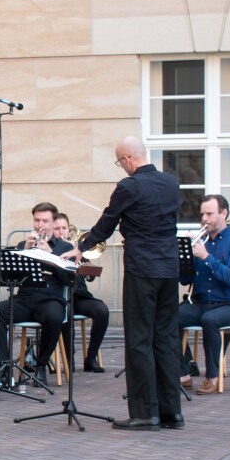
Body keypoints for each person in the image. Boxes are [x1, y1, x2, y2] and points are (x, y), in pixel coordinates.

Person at [64, 136, 184, 431]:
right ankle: (172, 412)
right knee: (166, 338)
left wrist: (81, 247)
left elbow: (107, 222)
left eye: (120, 162)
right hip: (169, 269)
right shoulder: (171, 183)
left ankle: (145, 412)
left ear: (128, 159)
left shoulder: (129, 186)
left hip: (142, 269)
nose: (122, 167)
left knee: (140, 339)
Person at [0, 202, 73, 386]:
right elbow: (9, 276)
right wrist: (24, 250)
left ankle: (40, 365)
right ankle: (3, 365)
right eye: (37, 220)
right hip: (24, 300)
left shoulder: (65, 248)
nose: (40, 225)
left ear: (53, 222)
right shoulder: (23, 244)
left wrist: (50, 254)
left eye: (45, 221)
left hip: (50, 300)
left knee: (55, 317)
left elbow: (69, 279)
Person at [178, 194, 230, 395]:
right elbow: (186, 281)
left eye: (210, 214)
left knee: (210, 320)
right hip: (203, 302)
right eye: (202, 214)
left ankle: (212, 376)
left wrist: (206, 258)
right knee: (167, 316)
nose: (204, 219)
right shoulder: (202, 242)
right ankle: (182, 373)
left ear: (224, 214)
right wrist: (184, 258)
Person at [51, 212, 110, 373]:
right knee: (66, 313)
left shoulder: (77, 249)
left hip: (79, 296)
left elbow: (90, 276)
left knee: (102, 311)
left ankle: (91, 358)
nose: (61, 232)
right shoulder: (49, 249)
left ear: (69, 229)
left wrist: (84, 262)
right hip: (60, 297)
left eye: (64, 228)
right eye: (56, 228)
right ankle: (68, 360)